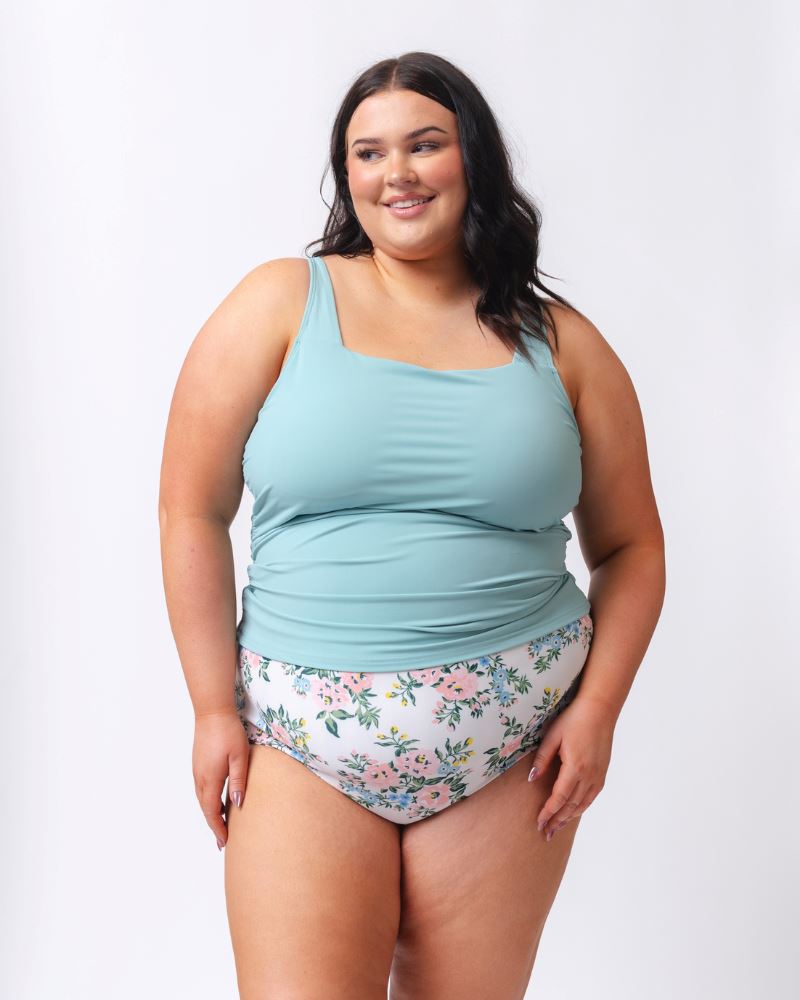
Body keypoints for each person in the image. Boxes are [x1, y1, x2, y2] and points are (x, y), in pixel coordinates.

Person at [158, 51, 665, 1000]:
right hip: (300, 740)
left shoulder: (563, 345)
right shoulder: (279, 302)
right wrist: (211, 708)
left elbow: (633, 547)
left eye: (424, 144)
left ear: (471, 157)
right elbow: (191, 507)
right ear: (346, 177)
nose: (397, 172)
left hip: (513, 746)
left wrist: (597, 711)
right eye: (368, 152)